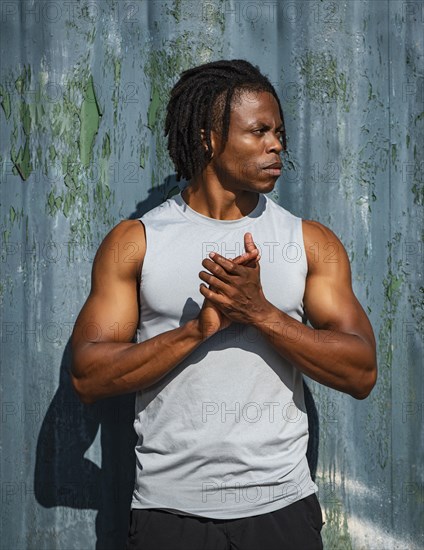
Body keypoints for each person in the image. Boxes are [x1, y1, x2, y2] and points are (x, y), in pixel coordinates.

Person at [70, 59, 377, 550]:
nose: (277, 144)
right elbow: (87, 377)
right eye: (259, 131)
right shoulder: (137, 241)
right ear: (210, 138)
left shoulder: (310, 241)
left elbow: (361, 372)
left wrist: (261, 313)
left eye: (278, 132)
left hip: (281, 510)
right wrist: (196, 331)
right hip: (168, 514)